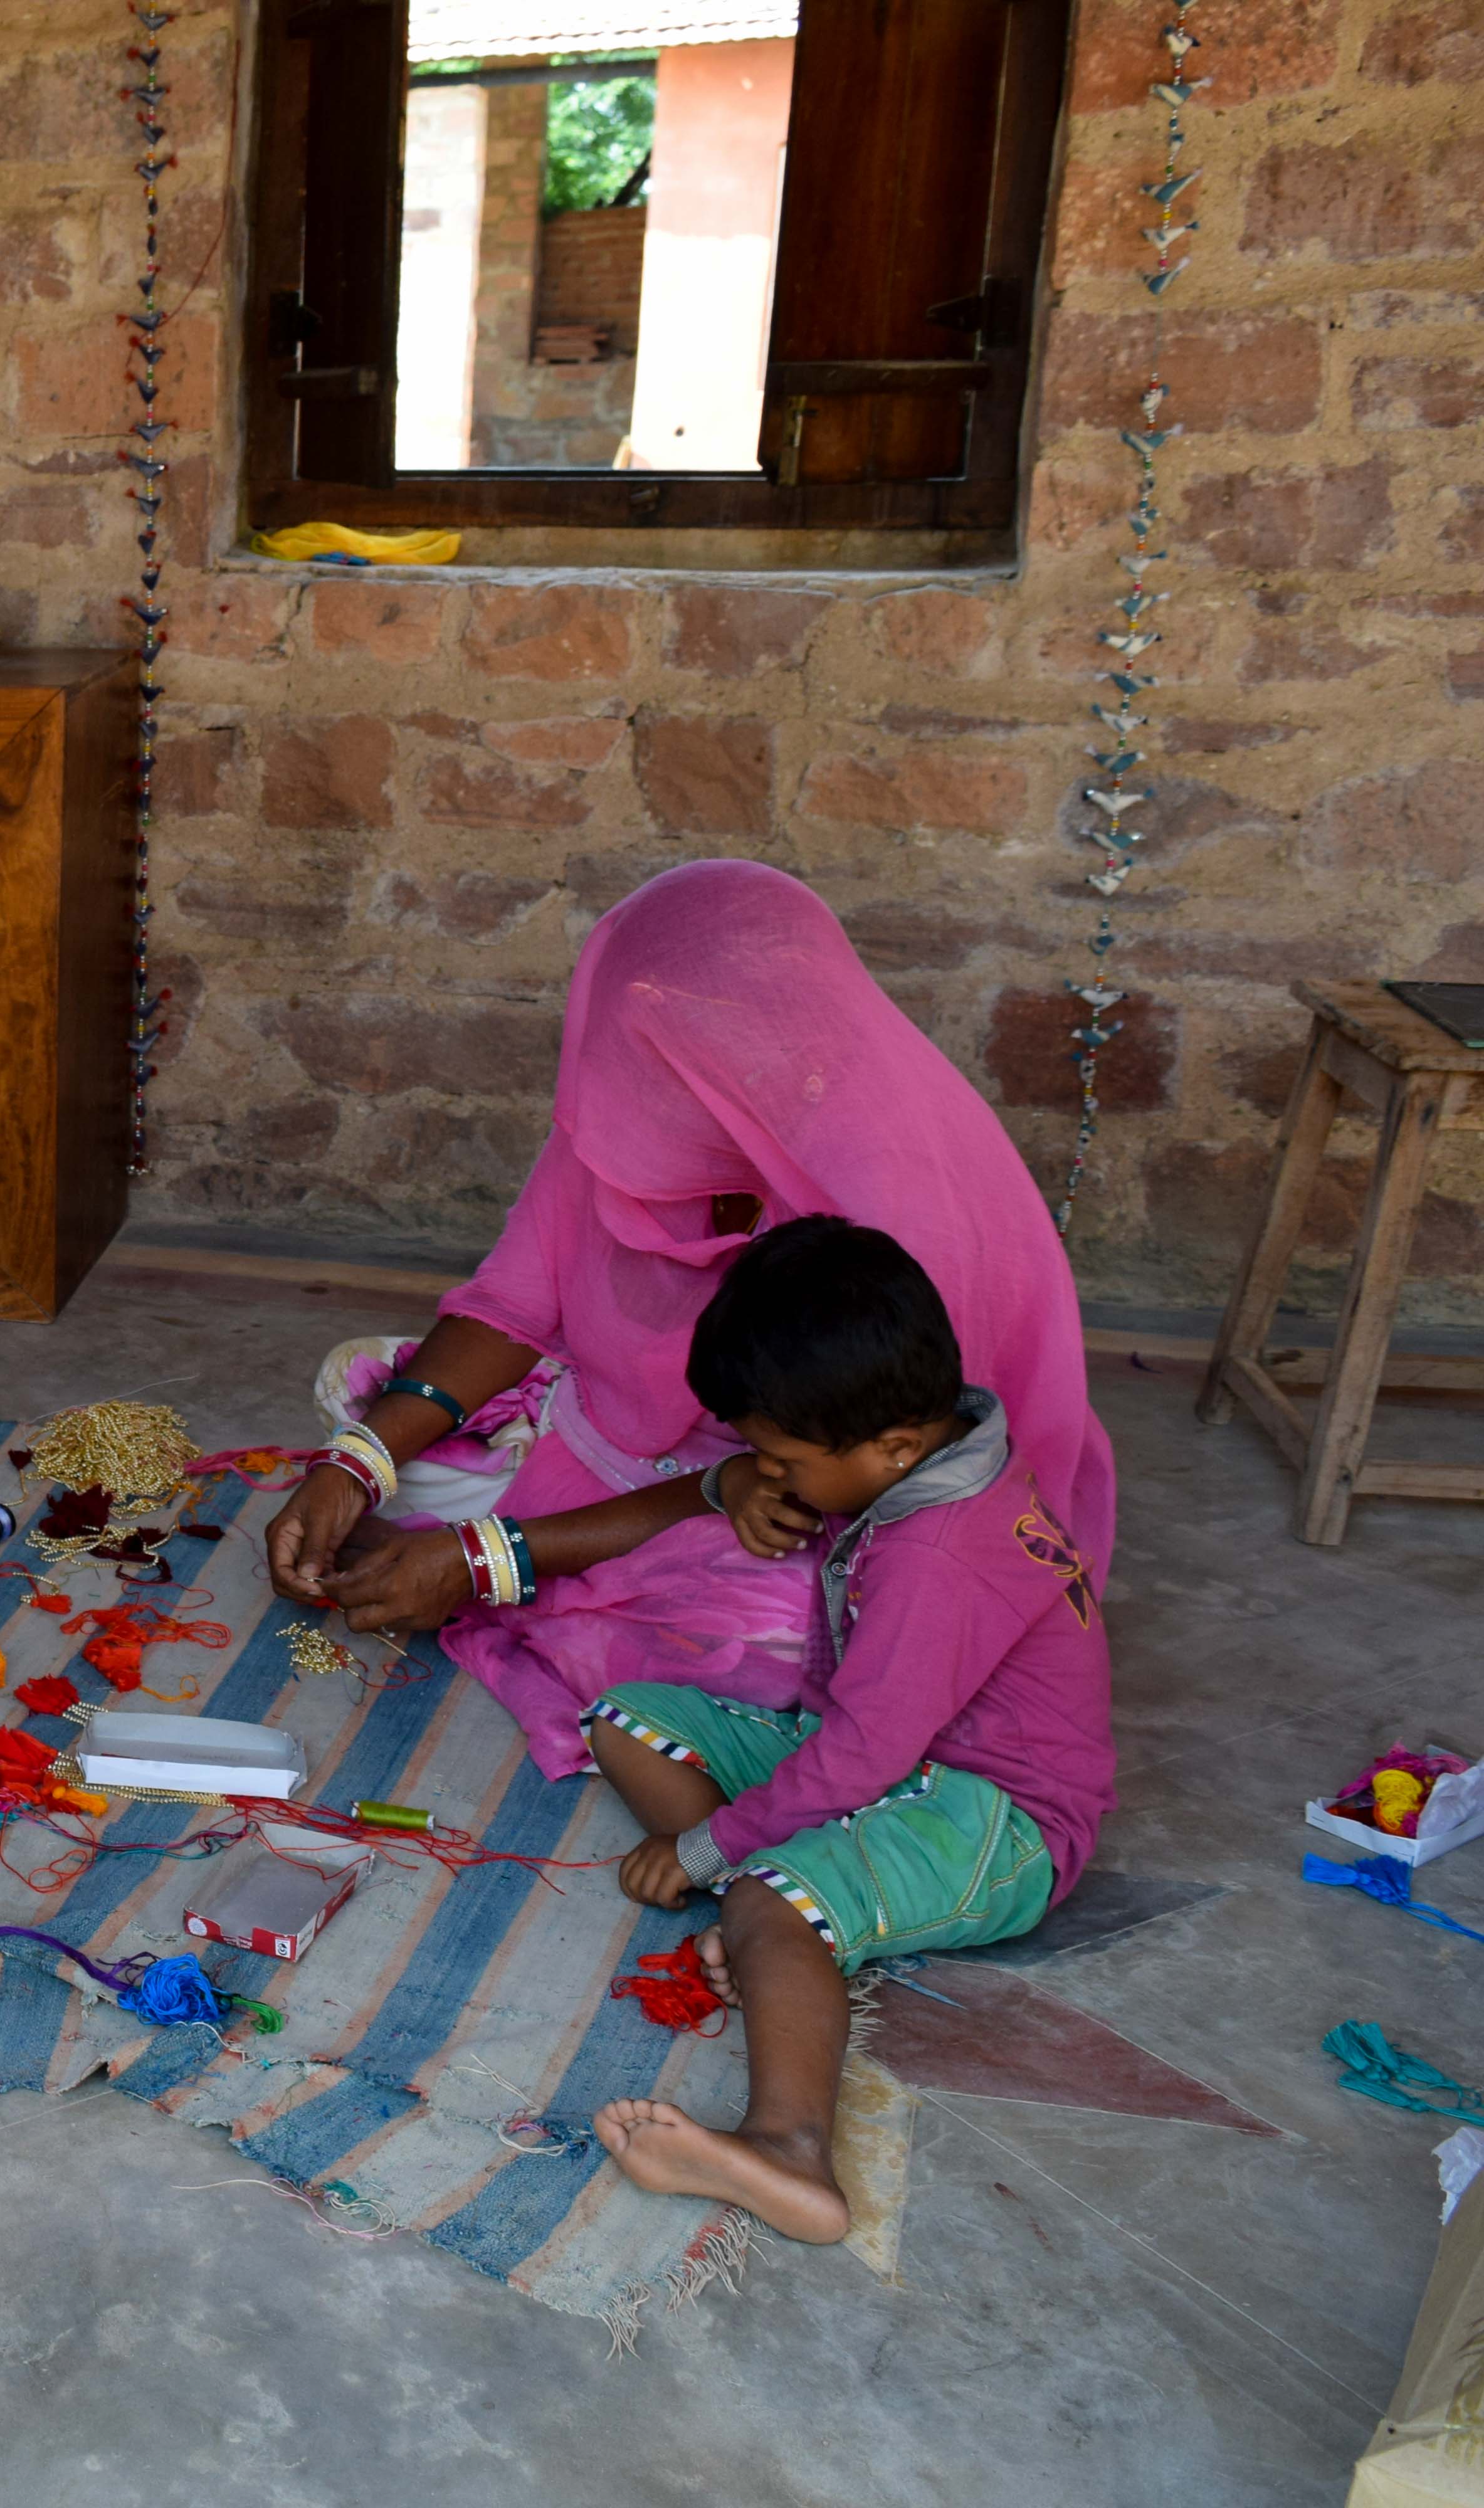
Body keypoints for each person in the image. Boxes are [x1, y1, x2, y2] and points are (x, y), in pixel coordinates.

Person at [265, 860, 1113, 1778]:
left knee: (786, 1642)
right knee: (362, 1387)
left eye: (656, 1048)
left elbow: (838, 1488)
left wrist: (494, 1559)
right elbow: (511, 1307)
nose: (627, 1074)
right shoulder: (632, 1114)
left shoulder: (901, 1206)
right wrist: (356, 1466)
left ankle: (506, 1566)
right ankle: (491, 1549)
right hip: (631, 1438)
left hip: (805, 1496)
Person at [581, 1216, 1115, 2241]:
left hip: (998, 1820)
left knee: (770, 1903)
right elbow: (859, 1729)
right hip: (888, 1757)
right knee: (632, 1721)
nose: (767, 1475)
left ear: (894, 1446)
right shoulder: (916, 1465)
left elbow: (865, 1753)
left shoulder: (942, 1555)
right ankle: (787, 1908)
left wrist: (707, 1848)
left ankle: (790, 2151)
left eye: (777, 1457)